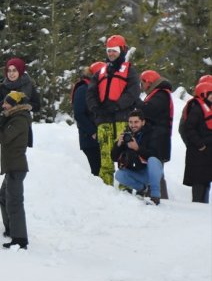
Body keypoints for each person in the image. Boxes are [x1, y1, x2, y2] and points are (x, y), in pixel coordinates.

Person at [86, 34, 141, 186]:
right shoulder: (100, 72)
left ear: (122, 51)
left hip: (122, 119)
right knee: (105, 156)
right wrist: (95, 107)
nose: (111, 54)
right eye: (109, 51)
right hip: (103, 120)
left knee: (124, 155)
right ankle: (106, 189)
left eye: (114, 51)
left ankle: (126, 187)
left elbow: (133, 92)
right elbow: (90, 93)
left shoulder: (130, 71)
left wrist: (117, 105)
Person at [0, 91, 31, 249]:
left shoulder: (20, 120)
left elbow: (4, 137)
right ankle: (11, 229)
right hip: (12, 166)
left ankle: (20, 239)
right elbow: (4, 125)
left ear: (15, 106)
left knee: (14, 203)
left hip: (16, 167)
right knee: (3, 198)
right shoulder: (14, 117)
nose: (4, 105)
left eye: (7, 103)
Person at [111, 109, 163, 205]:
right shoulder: (127, 135)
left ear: (143, 122)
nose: (133, 125)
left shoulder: (152, 133)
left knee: (153, 160)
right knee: (119, 175)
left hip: (150, 171)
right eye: (130, 122)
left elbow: (156, 155)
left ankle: (155, 196)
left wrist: (137, 148)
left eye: (136, 122)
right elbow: (114, 157)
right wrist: (118, 144)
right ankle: (142, 188)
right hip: (136, 171)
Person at [139, 70, 174, 199]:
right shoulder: (158, 94)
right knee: (156, 169)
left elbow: (149, 111)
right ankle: (157, 195)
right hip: (157, 137)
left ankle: (159, 197)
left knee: (156, 169)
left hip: (159, 138)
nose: (141, 86)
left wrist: (137, 103)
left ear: (148, 82)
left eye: (142, 83)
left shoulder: (161, 95)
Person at [179, 79, 212, 203]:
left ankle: (203, 204)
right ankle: (198, 206)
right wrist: (200, 144)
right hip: (199, 152)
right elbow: (189, 128)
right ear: (204, 94)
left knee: (205, 180)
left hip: (205, 153)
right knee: (199, 182)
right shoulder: (197, 108)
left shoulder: (206, 106)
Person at [71, 63, 102, 176]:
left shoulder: (94, 88)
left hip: (97, 135)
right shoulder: (83, 89)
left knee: (101, 169)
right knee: (97, 170)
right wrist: (92, 131)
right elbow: (79, 114)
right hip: (89, 137)